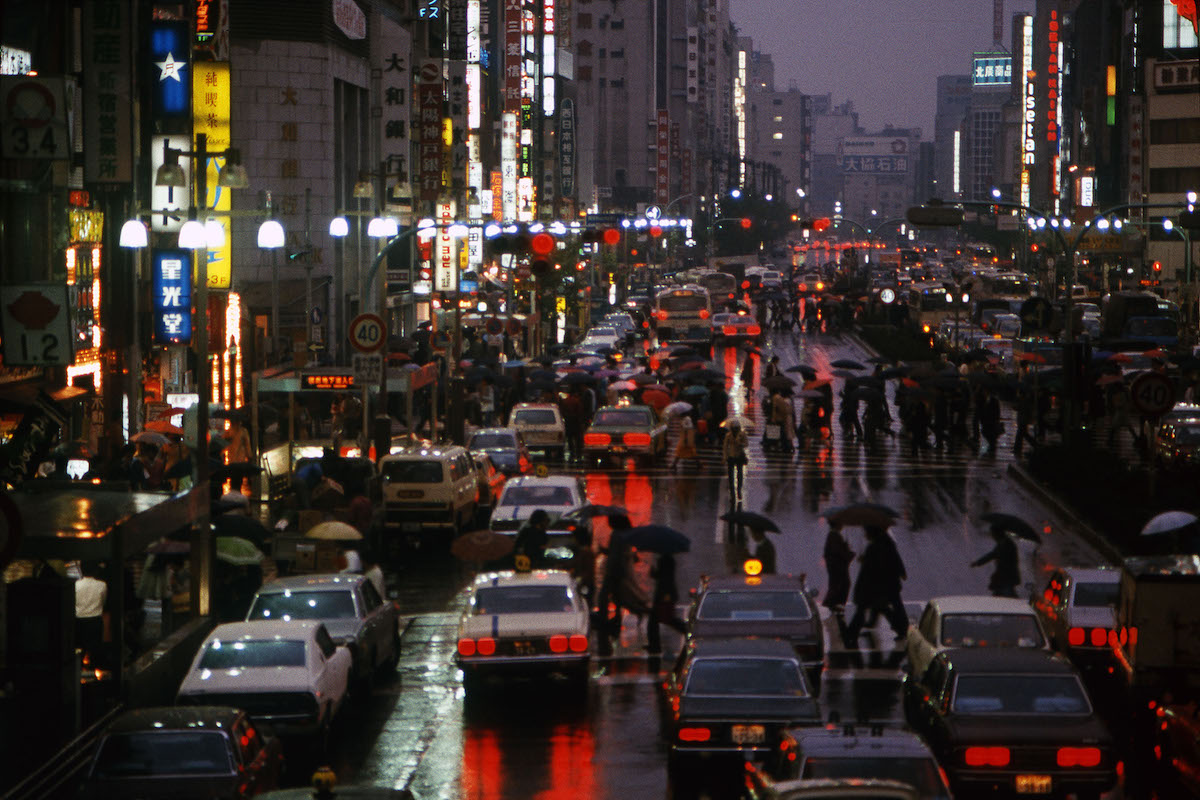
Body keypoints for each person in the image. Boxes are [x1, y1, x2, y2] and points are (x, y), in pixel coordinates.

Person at [842, 526, 908, 646]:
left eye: (866, 532)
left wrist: (865, 560)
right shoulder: (886, 544)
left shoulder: (875, 547)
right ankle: (900, 629)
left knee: (867, 608)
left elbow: (873, 568)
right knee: (883, 608)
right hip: (883, 584)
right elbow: (895, 560)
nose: (865, 535)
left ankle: (851, 634)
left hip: (876, 585)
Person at [646, 553, 687, 655]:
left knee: (665, 618)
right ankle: (654, 645)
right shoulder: (667, 559)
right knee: (659, 619)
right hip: (665, 594)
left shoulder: (666, 560)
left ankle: (654, 645)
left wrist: (653, 572)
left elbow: (663, 577)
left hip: (665, 595)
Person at [971, 525, 1020, 597]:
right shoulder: (1003, 544)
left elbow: (995, 556)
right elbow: (992, 555)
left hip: (1006, 577)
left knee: (1007, 597)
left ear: (998, 534)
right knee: (1002, 595)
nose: (993, 536)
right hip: (1004, 576)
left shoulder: (1006, 544)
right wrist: (978, 562)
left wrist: (978, 562)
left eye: (993, 534)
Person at [75, 562, 108, 668]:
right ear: (95, 571)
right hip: (95, 620)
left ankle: (79, 669)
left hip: (79, 620)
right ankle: (95, 669)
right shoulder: (102, 585)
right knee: (95, 649)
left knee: (79, 648)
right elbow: (103, 602)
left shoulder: (76, 585)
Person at [822, 523, 854, 612]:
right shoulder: (834, 535)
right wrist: (849, 554)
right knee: (841, 584)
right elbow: (838, 552)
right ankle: (834, 604)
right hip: (838, 567)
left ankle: (835, 604)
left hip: (836, 566)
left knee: (838, 584)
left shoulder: (834, 535)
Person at [722, 419, 749, 509]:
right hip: (731, 456)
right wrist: (725, 457)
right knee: (731, 475)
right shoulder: (728, 435)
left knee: (739, 474)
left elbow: (746, 444)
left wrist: (740, 443)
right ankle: (732, 493)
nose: (735, 430)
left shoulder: (742, 434)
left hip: (739, 456)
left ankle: (739, 490)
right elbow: (725, 447)